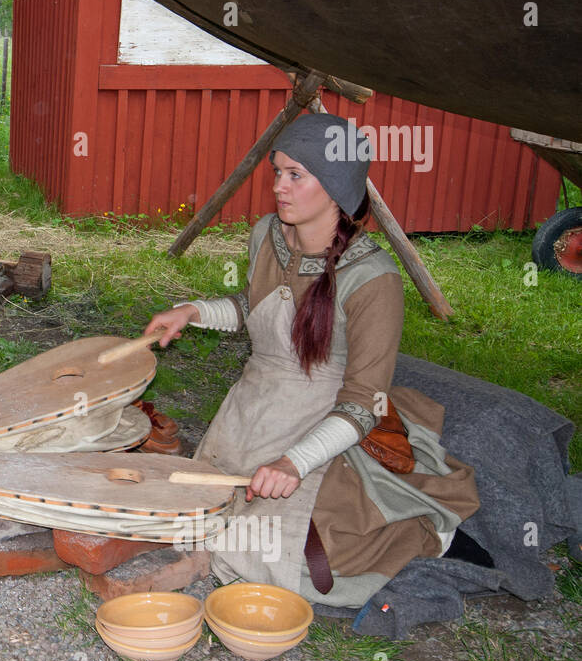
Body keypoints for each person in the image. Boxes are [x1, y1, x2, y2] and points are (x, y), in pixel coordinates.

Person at [144, 112, 487, 608]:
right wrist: (193, 311)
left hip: (329, 426)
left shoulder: (374, 280)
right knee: (195, 514)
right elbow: (254, 307)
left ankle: (412, 534)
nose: (279, 187)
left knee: (272, 554)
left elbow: (364, 403)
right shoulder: (267, 235)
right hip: (254, 409)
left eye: (295, 175)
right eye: (277, 172)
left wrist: (294, 462)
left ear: (334, 187)